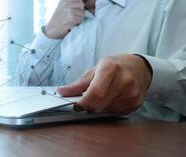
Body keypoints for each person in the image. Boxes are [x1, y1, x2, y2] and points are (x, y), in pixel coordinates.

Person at [18, 0, 186, 121]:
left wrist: (149, 73)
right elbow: (25, 92)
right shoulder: (61, 15)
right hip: (65, 148)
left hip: (147, 153)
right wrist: (49, 35)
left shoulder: (168, 4)